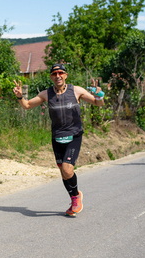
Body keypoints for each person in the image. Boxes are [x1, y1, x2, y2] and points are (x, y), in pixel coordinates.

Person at [12, 64, 105, 217]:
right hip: (57, 137)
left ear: (66, 75)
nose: (58, 76)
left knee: (68, 169)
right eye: (54, 73)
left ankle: (76, 197)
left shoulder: (76, 90)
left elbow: (98, 103)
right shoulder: (46, 94)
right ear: (51, 77)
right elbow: (27, 106)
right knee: (63, 172)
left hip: (74, 135)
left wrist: (99, 94)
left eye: (61, 73)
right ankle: (74, 199)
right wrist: (20, 96)